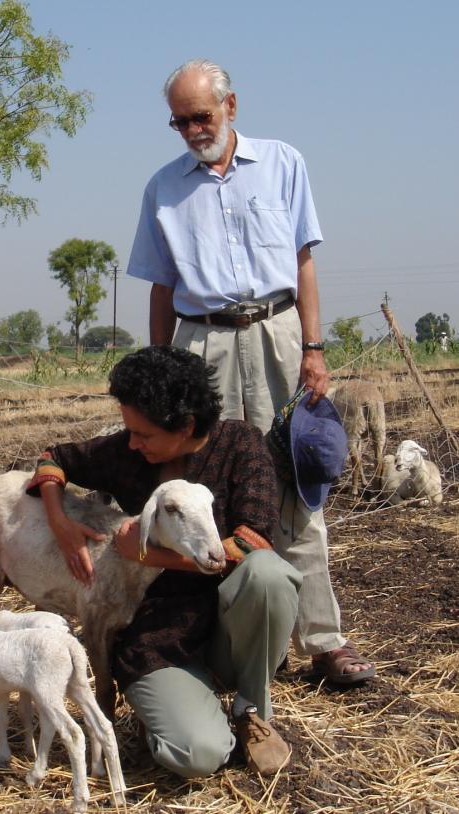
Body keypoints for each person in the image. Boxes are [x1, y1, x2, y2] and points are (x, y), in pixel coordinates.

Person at [126, 58, 375, 685]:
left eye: (200, 116)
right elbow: (162, 288)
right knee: (211, 489)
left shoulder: (284, 163)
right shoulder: (162, 187)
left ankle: (323, 640)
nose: (190, 129)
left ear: (230, 106)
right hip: (201, 344)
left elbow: (303, 261)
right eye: (178, 121)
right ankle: (252, 639)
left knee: (295, 484)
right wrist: (163, 376)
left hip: (277, 334)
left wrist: (313, 347)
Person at [28, 345, 301, 777]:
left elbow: (251, 544)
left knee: (269, 575)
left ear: (186, 425)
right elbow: (53, 458)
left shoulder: (240, 445)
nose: (133, 443)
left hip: (230, 630)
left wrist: (148, 554)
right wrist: (59, 520)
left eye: (144, 434)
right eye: (129, 431)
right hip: (157, 637)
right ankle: (180, 705)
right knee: (198, 755)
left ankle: (251, 711)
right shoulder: (127, 453)